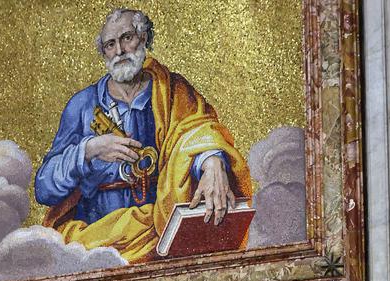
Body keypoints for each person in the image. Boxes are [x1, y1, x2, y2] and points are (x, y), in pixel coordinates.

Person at [34, 8, 252, 263]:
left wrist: (212, 160)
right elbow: (44, 188)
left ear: (144, 38)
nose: (119, 51)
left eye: (127, 38)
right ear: (103, 53)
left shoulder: (172, 91)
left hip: (163, 232)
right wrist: (89, 150)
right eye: (110, 45)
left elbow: (198, 129)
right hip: (98, 243)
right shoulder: (82, 105)